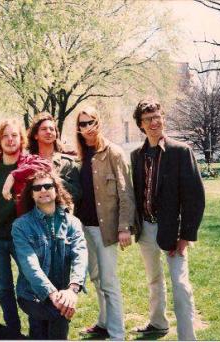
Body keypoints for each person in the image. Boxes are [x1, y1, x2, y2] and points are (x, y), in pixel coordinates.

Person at [130, 99, 205, 340]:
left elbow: (195, 198)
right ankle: (157, 322)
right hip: (146, 229)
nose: (154, 122)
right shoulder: (136, 156)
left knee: (180, 285)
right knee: (154, 280)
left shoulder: (181, 152)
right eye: (148, 119)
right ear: (140, 125)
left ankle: (187, 336)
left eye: (157, 116)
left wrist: (185, 237)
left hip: (173, 232)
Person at [0, 118, 51, 337]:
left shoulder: (29, 162)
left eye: (14, 135)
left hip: (22, 239)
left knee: (30, 283)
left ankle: (37, 330)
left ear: (21, 139)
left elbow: (46, 166)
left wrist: (14, 175)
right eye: (5, 135)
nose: (10, 140)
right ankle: (13, 332)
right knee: (4, 288)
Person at [75, 105, 136, 340]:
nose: (88, 127)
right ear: (78, 128)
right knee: (95, 277)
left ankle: (117, 333)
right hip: (83, 229)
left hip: (106, 228)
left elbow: (125, 192)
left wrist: (124, 227)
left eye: (91, 122)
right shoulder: (78, 155)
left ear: (98, 123)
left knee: (109, 281)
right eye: (83, 124)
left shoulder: (113, 152)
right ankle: (103, 322)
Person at [12, 171, 88, 340]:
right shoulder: (21, 226)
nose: (43, 190)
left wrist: (72, 290)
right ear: (31, 195)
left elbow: (80, 256)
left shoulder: (72, 223)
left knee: (41, 331)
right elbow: (29, 265)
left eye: (48, 186)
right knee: (58, 315)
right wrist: (54, 295)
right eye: (37, 188)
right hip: (31, 294)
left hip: (63, 293)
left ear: (56, 190)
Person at [27, 112, 82, 206]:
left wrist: (55, 179)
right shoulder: (28, 162)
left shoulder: (68, 163)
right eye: (44, 129)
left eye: (52, 129)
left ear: (56, 134)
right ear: (35, 135)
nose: (48, 132)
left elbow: (77, 195)